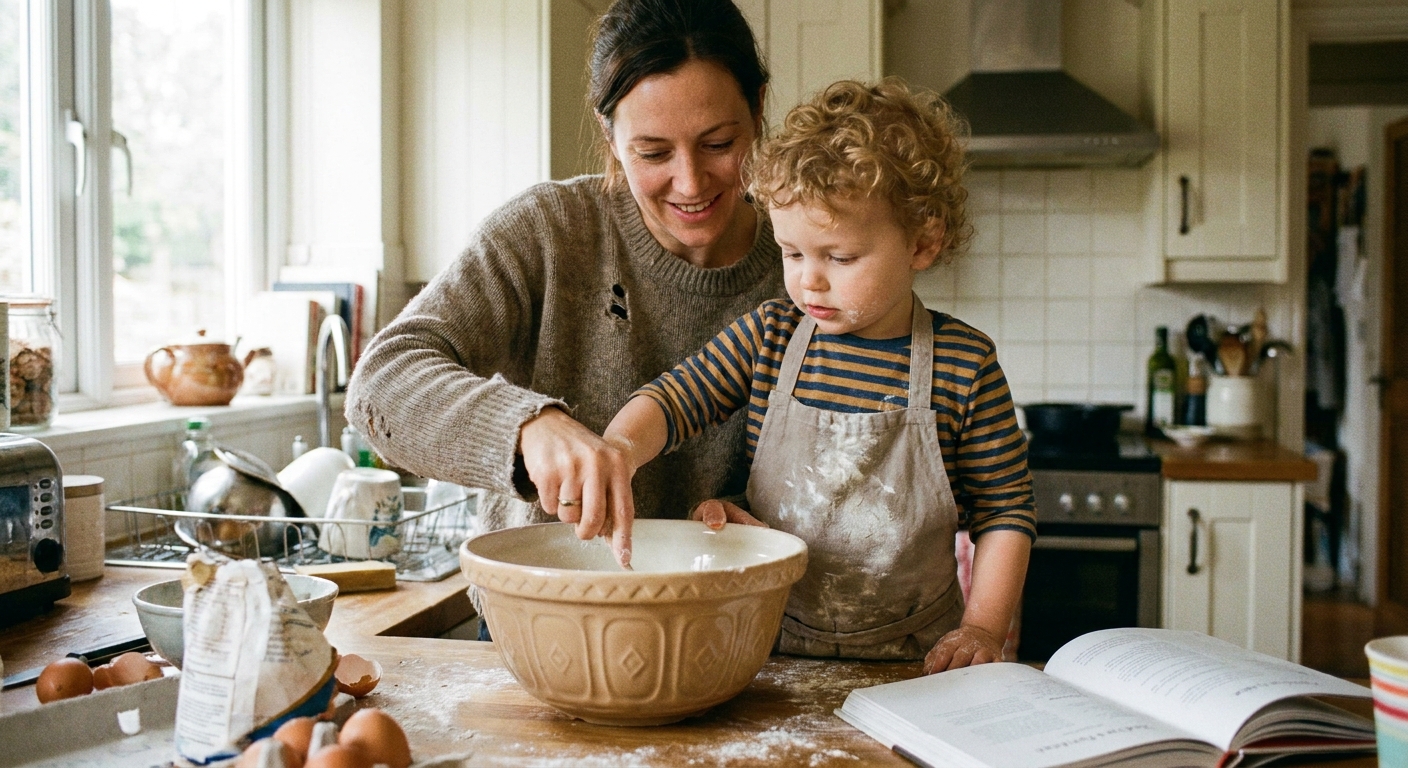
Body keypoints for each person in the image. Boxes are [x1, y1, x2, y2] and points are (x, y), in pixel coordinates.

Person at [596, 79, 1036, 673]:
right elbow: (674, 401)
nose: (810, 282)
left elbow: (1006, 512)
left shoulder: (965, 365)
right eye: (792, 253)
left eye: (841, 257)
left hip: (916, 661)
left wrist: (983, 627)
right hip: (765, 647)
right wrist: (620, 448)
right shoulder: (770, 338)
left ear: (923, 242)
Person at [345, 0, 782, 549]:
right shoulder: (548, 232)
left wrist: (753, 513)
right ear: (609, 134)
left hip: (731, 619)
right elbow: (381, 382)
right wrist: (526, 427)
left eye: (719, 144)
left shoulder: (813, 262)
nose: (690, 182)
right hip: (536, 615)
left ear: (759, 108)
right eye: (652, 153)